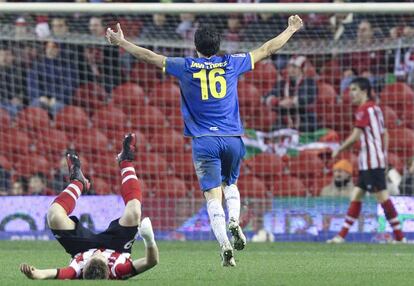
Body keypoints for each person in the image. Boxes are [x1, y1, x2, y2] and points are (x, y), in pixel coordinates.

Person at [107, 15, 303, 266]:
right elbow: (267, 48)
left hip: (204, 140)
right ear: (218, 46)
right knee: (230, 184)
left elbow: (149, 56)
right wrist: (291, 29)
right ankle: (235, 220)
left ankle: (224, 246)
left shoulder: (186, 66)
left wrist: (122, 43)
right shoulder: (232, 63)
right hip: (232, 138)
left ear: (195, 47)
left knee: (212, 196)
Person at [20, 134, 159, 280]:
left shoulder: (78, 270)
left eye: (94, 257)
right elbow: (151, 261)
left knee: (54, 216)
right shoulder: (118, 271)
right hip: (117, 245)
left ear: (85, 266)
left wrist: (35, 274)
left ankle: (78, 182)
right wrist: (149, 238)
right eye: (101, 257)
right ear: (107, 266)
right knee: (134, 212)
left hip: (82, 247)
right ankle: (125, 160)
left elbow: (46, 274)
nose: (98, 253)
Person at [327, 77, 405, 244]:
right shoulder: (376, 109)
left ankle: (400, 238)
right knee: (356, 195)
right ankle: (340, 237)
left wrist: (339, 150)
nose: (351, 94)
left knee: (383, 197)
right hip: (370, 162)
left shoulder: (364, 109)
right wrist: (382, 155)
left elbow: (356, 136)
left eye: (354, 90)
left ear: (364, 91)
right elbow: (386, 134)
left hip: (371, 164)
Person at [264, 55, 318, 132]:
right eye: (290, 67)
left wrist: (291, 102)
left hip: (305, 121)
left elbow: (306, 98)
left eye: (295, 67)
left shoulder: (310, 82)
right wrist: (278, 102)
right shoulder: (282, 83)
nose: (291, 70)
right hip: (284, 122)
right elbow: (267, 98)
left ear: (302, 69)